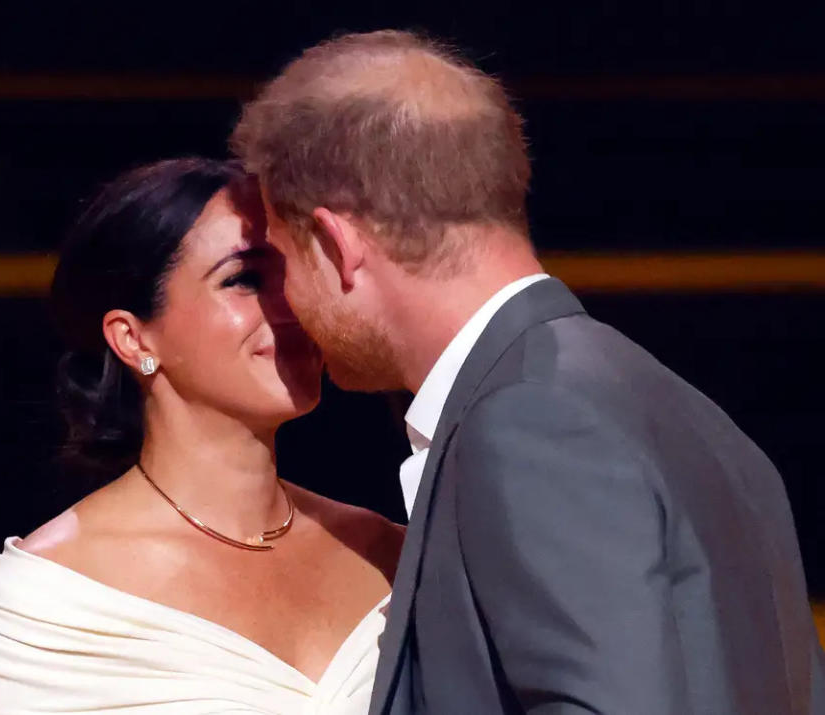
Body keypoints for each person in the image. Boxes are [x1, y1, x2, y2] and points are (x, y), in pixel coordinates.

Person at [231, 30, 825, 714]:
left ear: (338, 246)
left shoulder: (532, 422)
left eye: (279, 262)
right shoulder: (693, 416)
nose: (285, 302)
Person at [0, 158, 403, 714]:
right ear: (133, 338)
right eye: (245, 280)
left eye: (292, 274)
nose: (292, 308)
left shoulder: (388, 552)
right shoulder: (46, 604)